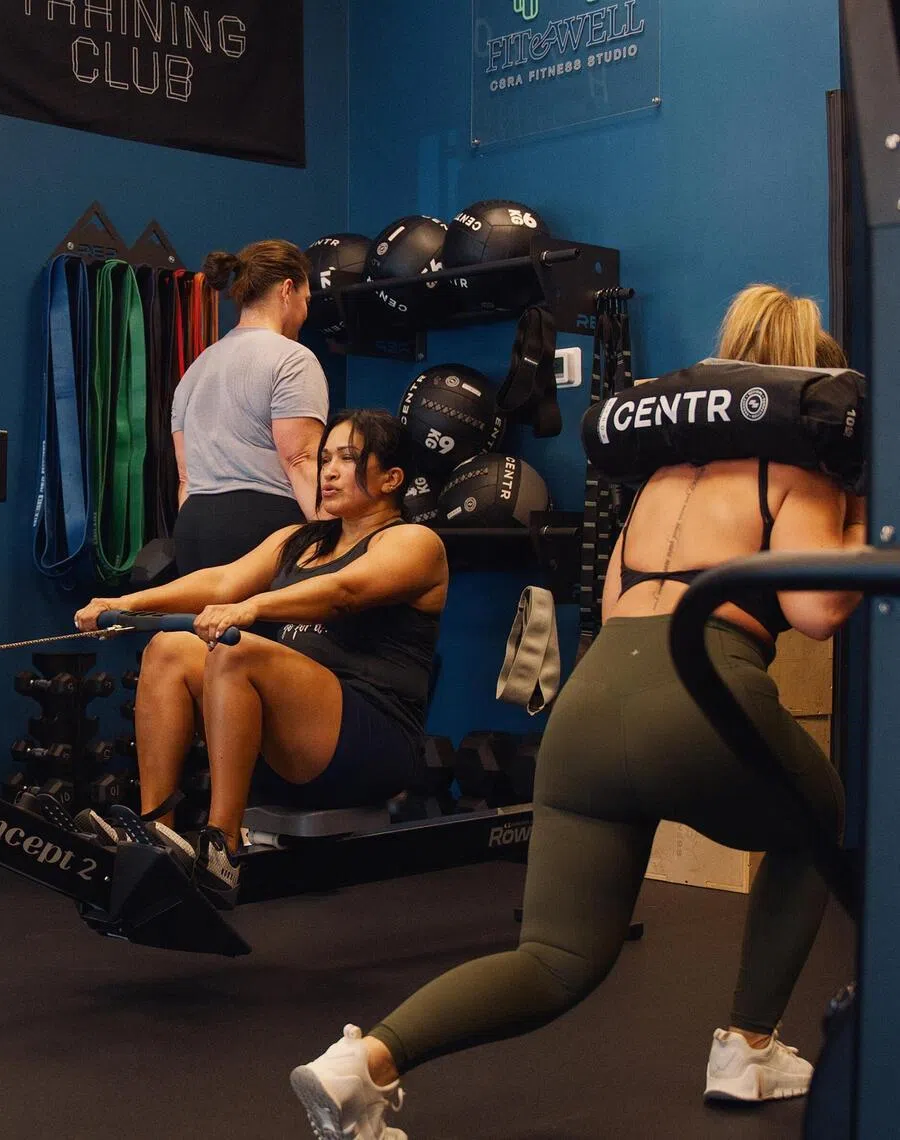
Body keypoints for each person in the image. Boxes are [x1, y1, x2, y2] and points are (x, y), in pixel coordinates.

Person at [288, 285, 866, 1140]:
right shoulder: (794, 467)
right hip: (701, 694)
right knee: (817, 816)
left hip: (592, 707)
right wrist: (864, 520)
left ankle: (365, 1062)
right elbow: (816, 611)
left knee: (556, 959)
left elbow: (617, 599)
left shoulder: (661, 479)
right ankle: (748, 1047)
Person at [74, 409, 447, 908]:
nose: (329, 472)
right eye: (325, 459)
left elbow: (347, 592)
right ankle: (156, 834)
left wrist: (252, 607)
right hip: (292, 745)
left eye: (348, 458)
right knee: (169, 648)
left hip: (369, 746)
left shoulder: (415, 543)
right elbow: (222, 581)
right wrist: (124, 604)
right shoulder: (300, 540)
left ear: (391, 479)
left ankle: (222, 848)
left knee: (236, 651)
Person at [170, 239, 330, 575]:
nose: (305, 313)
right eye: (306, 300)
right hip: (258, 527)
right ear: (287, 290)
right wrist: (337, 542)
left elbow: (185, 478)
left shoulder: (197, 368)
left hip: (192, 527)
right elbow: (300, 460)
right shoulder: (292, 359)